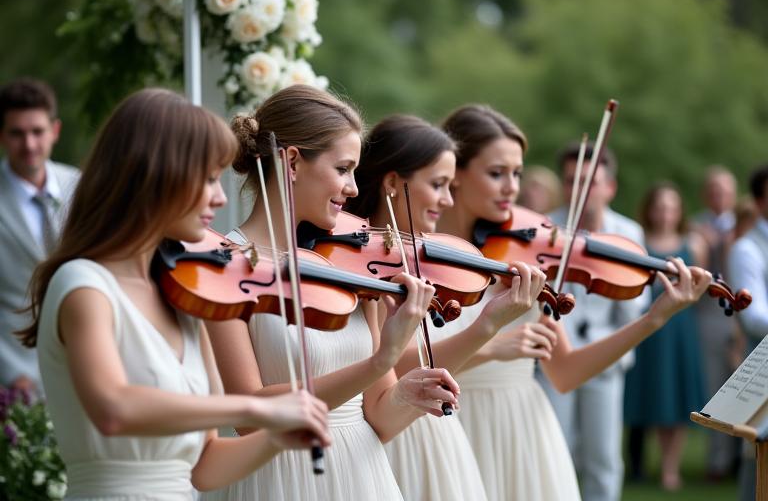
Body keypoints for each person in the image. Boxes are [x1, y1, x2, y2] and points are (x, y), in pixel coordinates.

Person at [16, 88, 332, 498]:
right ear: (158, 174)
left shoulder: (183, 298)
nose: (220, 198)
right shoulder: (82, 285)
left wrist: (275, 436)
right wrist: (256, 407)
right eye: (208, 179)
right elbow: (113, 409)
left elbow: (204, 467)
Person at [437, 104, 711, 501]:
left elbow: (564, 372)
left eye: (517, 173)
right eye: (496, 174)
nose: (512, 188)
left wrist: (653, 318)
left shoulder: (528, 254)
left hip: (522, 431)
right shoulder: (423, 251)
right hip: (451, 426)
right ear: (456, 174)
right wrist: (492, 345)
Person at [201, 86, 460, 501]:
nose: (355, 188)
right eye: (343, 169)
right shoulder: (223, 265)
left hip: (364, 474)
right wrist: (381, 360)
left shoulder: (348, 268)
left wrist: (406, 396)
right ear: (292, 162)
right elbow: (251, 414)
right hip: (278, 480)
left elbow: (378, 417)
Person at [346, 114, 547, 501]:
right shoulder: (361, 273)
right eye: (438, 184)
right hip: (397, 438)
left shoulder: (419, 260)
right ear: (392, 183)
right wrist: (487, 330)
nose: (448, 198)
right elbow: (392, 368)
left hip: (436, 433)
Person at [533, 141, 650, 501]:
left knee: (603, 457)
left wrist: (606, 260)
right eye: (571, 181)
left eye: (590, 182)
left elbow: (635, 305)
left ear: (609, 187)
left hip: (604, 357)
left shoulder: (628, 233)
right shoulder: (546, 228)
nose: (580, 190)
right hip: (554, 356)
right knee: (556, 450)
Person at [623, 182, 708, 491]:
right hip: (651, 326)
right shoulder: (639, 241)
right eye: (659, 207)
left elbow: (700, 290)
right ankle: (648, 463)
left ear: (679, 211)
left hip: (681, 328)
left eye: (671, 207)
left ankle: (671, 466)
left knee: (677, 395)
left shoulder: (694, 244)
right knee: (656, 394)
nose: (665, 213)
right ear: (650, 210)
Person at [0, 78, 79, 397]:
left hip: (82, 366)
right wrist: (8, 371)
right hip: (16, 380)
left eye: (37, 131)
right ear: (2, 135)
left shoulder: (80, 185)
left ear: (55, 130)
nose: (29, 144)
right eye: (17, 133)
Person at [691, 165, 740, 480]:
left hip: (744, 315)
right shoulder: (696, 226)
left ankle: (744, 456)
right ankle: (718, 461)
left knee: (745, 391)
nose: (718, 197)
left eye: (724, 191)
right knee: (716, 390)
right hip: (710, 316)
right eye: (713, 191)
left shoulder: (746, 224)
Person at [728, 165, 768, 501]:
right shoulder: (746, 248)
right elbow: (753, 317)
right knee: (759, 469)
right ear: (759, 201)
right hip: (764, 376)